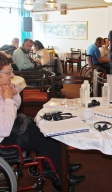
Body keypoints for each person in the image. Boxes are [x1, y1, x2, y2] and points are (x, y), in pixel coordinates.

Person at [0, 51, 85, 192]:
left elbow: (13, 112)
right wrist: (8, 100)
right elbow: (5, 129)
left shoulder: (3, 88)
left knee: (47, 127)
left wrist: (13, 96)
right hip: (4, 139)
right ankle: (59, 179)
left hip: (9, 129)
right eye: (9, 72)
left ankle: (63, 166)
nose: (13, 75)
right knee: (43, 136)